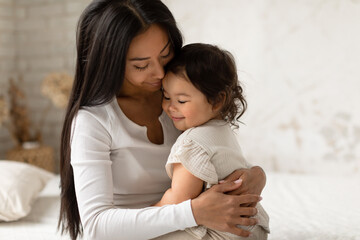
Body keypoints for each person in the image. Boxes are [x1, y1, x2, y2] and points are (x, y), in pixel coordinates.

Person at [58, 1, 267, 240]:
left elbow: (217, 152)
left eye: (165, 55)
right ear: (110, 64)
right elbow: (96, 227)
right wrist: (193, 213)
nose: (159, 73)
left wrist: (256, 176)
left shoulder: (179, 99)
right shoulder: (93, 121)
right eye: (141, 65)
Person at [152, 43, 270, 240]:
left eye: (181, 101)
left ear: (217, 100)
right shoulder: (223, 130)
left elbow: (178, 200)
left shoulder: (191, 143)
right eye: (165, 97)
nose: (170, 107)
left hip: (220, 233)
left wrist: (145, 213)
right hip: (252, 228)